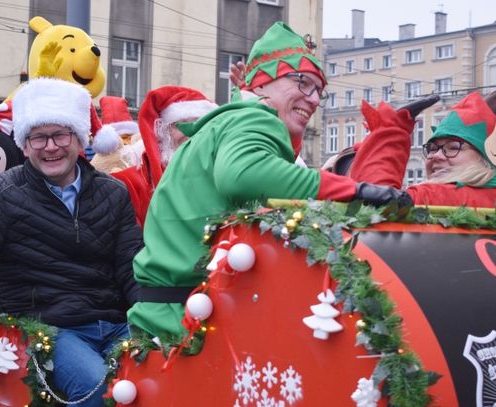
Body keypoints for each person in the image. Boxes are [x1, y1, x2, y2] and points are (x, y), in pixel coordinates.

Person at [127, 22, 411, 342]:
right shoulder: (255, 116)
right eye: (302, 82)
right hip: (190, 325)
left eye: (319, 90)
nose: (314, 99)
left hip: (168, 317)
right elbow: (242, 175)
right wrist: (354, 191)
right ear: (262, 84)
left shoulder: (227, 123)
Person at [0, 77, 143, 406]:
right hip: (51, 329)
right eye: (38, 137)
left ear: (79, 138)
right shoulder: (2, 194)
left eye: (60, 134)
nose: (50, 146)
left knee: (159, 377)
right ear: (24, 145)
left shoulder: (113, 193)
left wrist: (150, 322)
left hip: (115, 324)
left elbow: (132, 267)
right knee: (96, 390)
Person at [95, 86, 218, 226]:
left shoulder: (219, 177)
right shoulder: (129, 184)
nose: (191, 133)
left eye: (200, 125)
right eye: (182, 124)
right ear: (163, 131)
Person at [349, 91, 496, 207]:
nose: (436, 156)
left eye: (453, 148)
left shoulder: (436, 196)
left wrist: (390, 133)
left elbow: (375, 207)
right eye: (432, 148)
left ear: (486, 159)